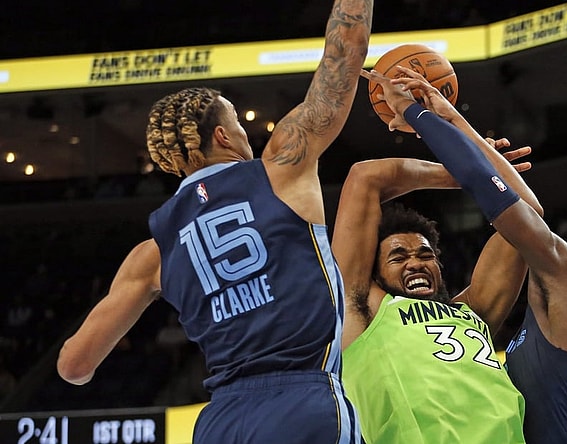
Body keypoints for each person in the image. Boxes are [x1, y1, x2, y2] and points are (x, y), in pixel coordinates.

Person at [56, 1, 373, 442]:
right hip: (303, 400)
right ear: (223, 135)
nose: (245, 131)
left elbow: (74, 367)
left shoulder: (152, 254)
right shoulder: (281, 168)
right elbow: (344, 54)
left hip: (220, 421)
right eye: (237, 122)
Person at [365, 66, 567, 444]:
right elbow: (525, 208)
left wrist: (420, 113)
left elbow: (506, 205)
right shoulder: (565, 323)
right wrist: (456, 124)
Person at [332, 75, 544, 442]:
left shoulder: (473, 311)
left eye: (425, 254)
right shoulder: (363, 309)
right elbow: (365, 177)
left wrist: (455, 125)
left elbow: (528, 216)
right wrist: (461, 173)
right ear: (374, 275)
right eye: (398, 257)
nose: (415, 262)